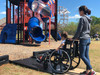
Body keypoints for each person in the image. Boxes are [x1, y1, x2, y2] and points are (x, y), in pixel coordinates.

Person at [69, 6, 96, 75]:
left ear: (82, 11)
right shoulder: (88, 19)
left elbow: (79, 30)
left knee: (82, 55)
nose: (79, 13)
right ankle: (87, 72)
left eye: (79, 11)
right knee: (86, 56)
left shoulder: (82, 19)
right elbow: (86, 30)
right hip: (88, 39)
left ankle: (91, 70)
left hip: (83, 40)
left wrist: (74, 38)